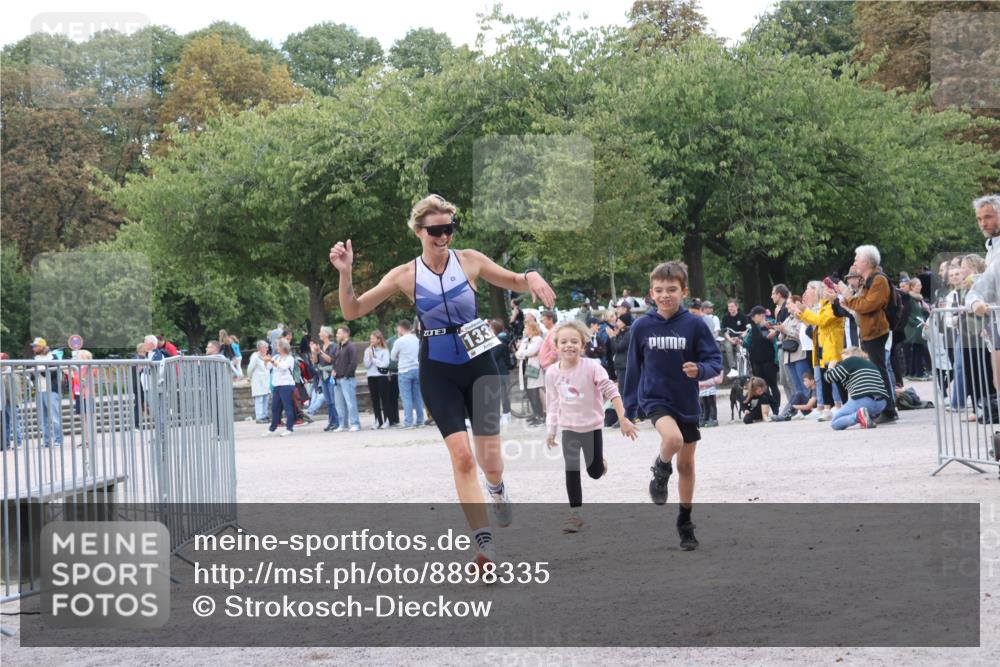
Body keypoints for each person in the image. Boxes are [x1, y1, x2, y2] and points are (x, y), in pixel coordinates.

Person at [330, 194, 556, 567]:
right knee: (463, 457)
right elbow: (352, 309)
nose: (443, 237)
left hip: (479, 364)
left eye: (449, 228)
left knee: (490, 462)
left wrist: (531, 274)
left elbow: (515, 280)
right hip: (437, 367)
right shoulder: (405, 274)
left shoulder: (470, 260)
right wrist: (345, 273)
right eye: (435, 231)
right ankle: (485, 545)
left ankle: (497, 488)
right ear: (419, 231)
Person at [622, 261, 723, 551]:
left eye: (671, 289)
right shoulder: (641, 326)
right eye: (659, 290)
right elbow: (633, 368)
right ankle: (660, 468)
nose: (665, 295)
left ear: (684, 291)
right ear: (651, 293)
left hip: (686, 401)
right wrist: (629, 409)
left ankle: (685, 521)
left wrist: (699, 370)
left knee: (687, 465)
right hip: (655, 398)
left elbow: (715, 362)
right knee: (673, 440)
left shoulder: (695, 324)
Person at [545, 320, 638, 532]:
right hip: (569, 428)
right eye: (564, 342)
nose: (569, 345)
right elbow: (552, 403)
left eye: (574, 341)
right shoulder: (551, 373)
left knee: (595, 472)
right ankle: (575, 516)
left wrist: (623, 419)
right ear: (556, 346)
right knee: (571, 469)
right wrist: (551, 430)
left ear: (583, 345)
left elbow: (611, 391)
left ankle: (600, 463)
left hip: (592, 426)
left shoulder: (592, 367)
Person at [835, 245, 897, 424]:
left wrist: (847, 296)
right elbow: (860, 304)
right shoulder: (869, 280)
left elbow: (867, 305)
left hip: (876, 330)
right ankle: (882, 408)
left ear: (866, 262)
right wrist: (849, 299)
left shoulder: (878, 280)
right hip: (869, 331)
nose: (854, 263)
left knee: (879, 371)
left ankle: (889, 410)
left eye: (857, 259)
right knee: (876, 371)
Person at [789, 282, 845, 421]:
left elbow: (820, 321)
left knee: (836, 379)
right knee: (825, 380)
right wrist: (800, 313)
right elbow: (814, 322)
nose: (824, 291)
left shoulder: (831, 306)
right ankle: (827, 409)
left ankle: (842, 406)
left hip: (832, 347)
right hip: (822, 347)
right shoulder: (822, 305)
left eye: (827, 288)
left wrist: (803, 311)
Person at [824, 348, 889, 430]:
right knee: (855, 409)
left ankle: (858, 416)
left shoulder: (851, 360)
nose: (843, 363)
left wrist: (830, 367)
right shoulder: (871, 364)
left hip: (865, 401)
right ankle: (867, 419)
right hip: (881, 404)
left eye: (844, 360)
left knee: (835, 423)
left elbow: (829, 377)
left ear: (853, 354)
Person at [743, 306, 781, 410]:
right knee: (761, 386)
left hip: (769, 360)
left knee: (772, 385)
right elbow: (747, 342)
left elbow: (777, 333)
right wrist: (741, 340)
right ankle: (765, 408)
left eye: (753, 316)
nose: (752, 318)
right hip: (756, 361)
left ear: (761, 315)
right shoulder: (753, 327)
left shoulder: (771, 322)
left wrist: (767, 326)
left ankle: (776, 408)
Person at [30, 337, 63, 447]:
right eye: (33, 346)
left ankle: (58, 440)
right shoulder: (35, 358)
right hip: (39, 390)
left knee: (55, 418)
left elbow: (51, 374)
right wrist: (33, 373)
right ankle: (46, 441)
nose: (33, 348)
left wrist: (39, 369)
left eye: (35, 346)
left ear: (41, 346)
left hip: (51, 390)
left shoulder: (52, 357)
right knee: (43, 419)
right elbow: (32, 376)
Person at [390, 320, 423, 429]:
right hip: (417, 369)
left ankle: (408, 422)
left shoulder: (399, 341)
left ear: (401, 328)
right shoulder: (416, 339)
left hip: (404, 370)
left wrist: (400, 356)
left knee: (406, 397)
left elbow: (393, 357)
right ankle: (420, 421)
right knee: (417, 397)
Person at [307, 326, 340, 431]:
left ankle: (337, 422)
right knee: (328, 401)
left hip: (331, 375)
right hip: (323, 376)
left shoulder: (333, 346)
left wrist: (320, 351)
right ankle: (331, 422)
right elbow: (315, 362)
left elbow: (330, 360)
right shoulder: (320, 346)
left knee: (333, 400)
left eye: (321, 332)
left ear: (326, 334)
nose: (319, 334)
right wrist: (313, 352)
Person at [262, 339, 296, 437]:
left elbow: (283, 367)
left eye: (278, 346)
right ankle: (272, 428)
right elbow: (268, 367)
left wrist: (271, 361)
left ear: (282, 347)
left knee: (287, 407)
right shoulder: (276, 357)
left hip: (286, 385)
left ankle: (289, 428)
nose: (276, 347)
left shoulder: (289, 358)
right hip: (276, 385)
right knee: (275, 408)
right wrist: (265, 361)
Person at [331, 326, 361, 432]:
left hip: (346, 379)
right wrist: (334, 370)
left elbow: (353, 362)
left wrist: (346, 375)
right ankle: (342, 424)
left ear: (345, 333)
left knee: (350, 402)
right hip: (337, 379)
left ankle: (355, 423)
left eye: (339, 333)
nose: (337, 335)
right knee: (339, 404)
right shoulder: (338, 347)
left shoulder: (351, 346)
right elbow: (335, 361)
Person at [516, 320, 546, 426]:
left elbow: (530, 352)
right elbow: (517, 354)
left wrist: (524, 353)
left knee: (534, 394)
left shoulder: (538, 339)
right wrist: (524, 354)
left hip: (533, 368)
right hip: (524, 368)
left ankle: (540, 417)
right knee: (529, 393)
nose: (524, 330)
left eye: (526, 328)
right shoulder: (525, 341)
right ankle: (536, 415)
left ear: (532, 329)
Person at [364, 330, 393, 430]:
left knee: (385, 399)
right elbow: (366, 365)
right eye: (370, 338)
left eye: (373, 338)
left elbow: (385, 364)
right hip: (371, 376)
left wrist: (374, 359)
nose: (371, 340)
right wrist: (370, 358)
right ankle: (378, 420)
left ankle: (387, 420)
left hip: (382, 376)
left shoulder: (385, 350)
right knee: (374, 399)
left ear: (379, 339)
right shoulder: (367, 350)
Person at [903, 278, 931, 380]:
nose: (920, 287)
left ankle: (915, 373)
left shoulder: (918, 299)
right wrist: (918, 323)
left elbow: (919, 313)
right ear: (912, 287)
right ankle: (918, 373)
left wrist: (926, 309)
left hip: (918, 327)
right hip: (913, 329)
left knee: (917, 351)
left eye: (920, 285)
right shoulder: (909, 299)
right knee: (916, 351)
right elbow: (907, 315)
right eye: (918, 285)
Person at [488, 320, 513, 426]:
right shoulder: (498, 340)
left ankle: (506, 414)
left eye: (490, 328)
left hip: (499, 371)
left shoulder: (498, 341)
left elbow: (493, 356)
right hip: (499, 370)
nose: (488, 330)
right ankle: (504, 414)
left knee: (502, 394)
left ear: (494, 329)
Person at [721, 299, 750, 378]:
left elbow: (747, 330)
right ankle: (733, 368)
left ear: (737, 306)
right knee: (728, 346)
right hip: (730, 338)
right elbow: (725, 331)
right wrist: (730, 339)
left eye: (732, 306)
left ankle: (741, 368)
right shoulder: (725, 317)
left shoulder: (743, 316)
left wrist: (740, 338)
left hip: (740, 338)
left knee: (739, 347)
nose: (730, 308)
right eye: (729, 307)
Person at [247, 341, 271, 423]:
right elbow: (250, 368)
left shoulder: (267, 356)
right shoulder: (255, 356)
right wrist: (250, 377)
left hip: (266, 380)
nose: (267, 349)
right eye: (266, 347)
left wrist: (267, 362)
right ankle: (259, 417)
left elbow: (269, 367)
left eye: (267, 347)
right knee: (259, 399)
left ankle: (264, 415)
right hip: (258, 380)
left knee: (266, 398)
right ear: (261, 348)